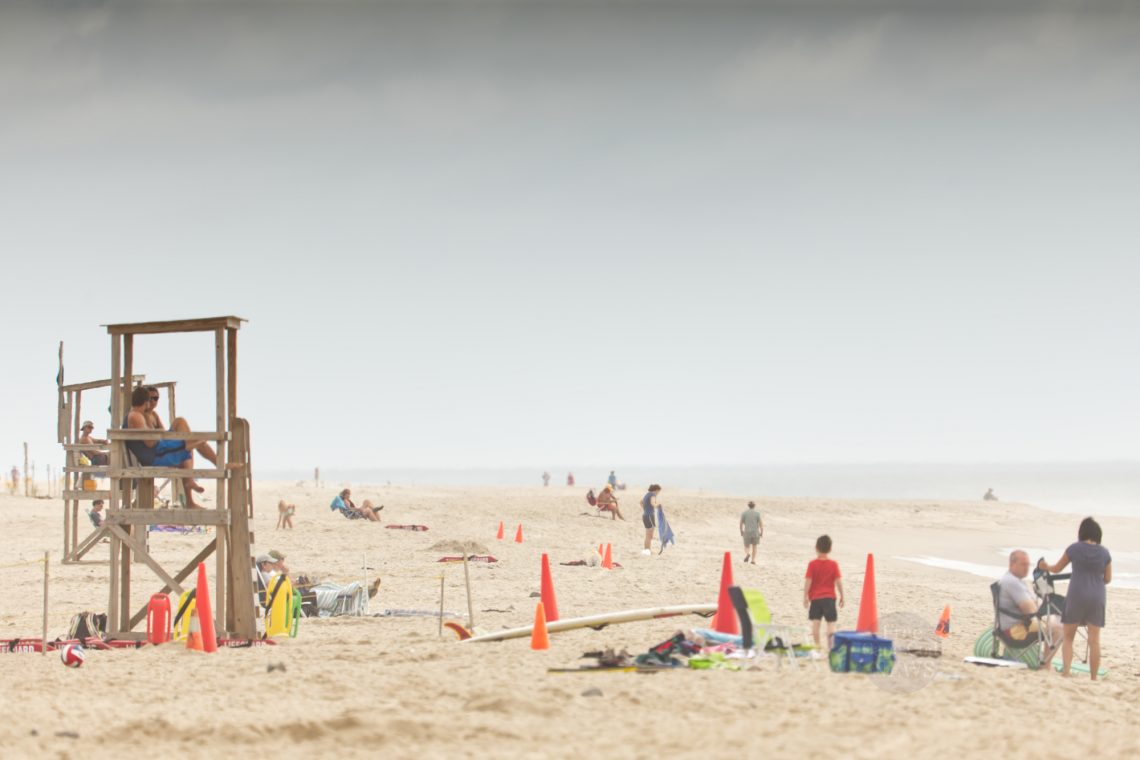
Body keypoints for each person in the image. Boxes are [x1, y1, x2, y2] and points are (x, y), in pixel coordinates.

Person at [1038, 518, 1111, 679]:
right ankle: (1093, 678)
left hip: (1076, 595)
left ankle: (1066, 672)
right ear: (1098, 535)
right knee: (1094, 641)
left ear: (1081, 533)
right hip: (1097, 597)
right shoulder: (1105, 553)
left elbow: (1057, 569)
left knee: (1069, 637)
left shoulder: (1074, 549)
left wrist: (1045, 566)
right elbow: (1108, 578)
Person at [124, 386, 217, 508]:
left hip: (156, 450)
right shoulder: (136, 416)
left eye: (155, 398)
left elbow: (160, 434)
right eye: (150, 399)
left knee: (182, 424)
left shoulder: (140, 415)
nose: (152, 402)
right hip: (153, 455)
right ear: (146, 402)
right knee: (195, 444)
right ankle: (219, 465)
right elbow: (150, 443)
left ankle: (190, 497)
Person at [997, 550, 1063, 668]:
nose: (1026, 568)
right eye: (1023, 564)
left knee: (1054, 622)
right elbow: (1031, 610)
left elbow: (1032, 604)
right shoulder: (1013, 582)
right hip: (1015, 630)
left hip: (1012, 625)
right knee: (1058, 628)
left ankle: (1045, 661)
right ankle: (1045, 665)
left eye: (1028, 565)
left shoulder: (1013, 580)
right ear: (1012, 564)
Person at [803, 535, 844, 654]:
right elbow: (838, 581)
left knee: (816, 622)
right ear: (830, 549)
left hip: (815, 598)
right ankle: (831, 648)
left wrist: (805, 596)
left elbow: (808, 581)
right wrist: (842, 595)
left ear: (816, 548)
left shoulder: (812, 564)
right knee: (831, 623)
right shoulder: (833, 564)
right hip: (829, 598)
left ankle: (817, 647)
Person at [641, 484, 661, 555]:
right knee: (649, 535)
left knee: (648, 535)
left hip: (645, 515)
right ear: (656, 490)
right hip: (649, 516)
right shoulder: (653, 494)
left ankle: (647, 550)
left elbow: (641, 502)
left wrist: (645, 509)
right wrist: (658, 505)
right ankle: (648, 550)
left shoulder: (647, 494)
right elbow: (653, 503)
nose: (658, 493)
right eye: (659, 492)